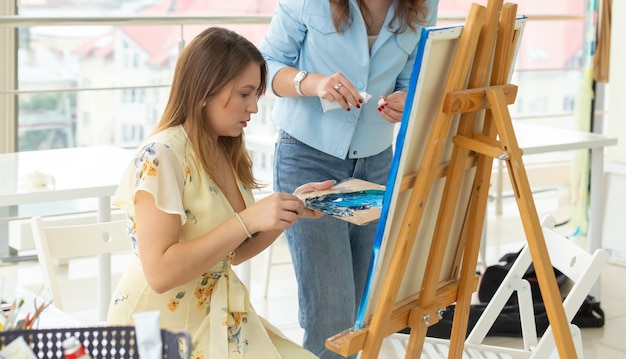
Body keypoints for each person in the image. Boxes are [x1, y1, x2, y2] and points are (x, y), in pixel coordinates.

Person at [107, 26, 333, 359]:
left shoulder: (222, 151)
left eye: (256, 94)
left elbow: (227, 255)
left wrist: (287, 210)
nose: (254, 108)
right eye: (245, 94)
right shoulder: (161, 157)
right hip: (158, 331)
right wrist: (247, 219)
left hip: (216, 318)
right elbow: (159, 273)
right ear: (205, 89)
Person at [259, 1, 439, 358]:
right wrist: (314, 83)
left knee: (363, 312)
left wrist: (406, 98)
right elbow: (266, 65)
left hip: (377, 163)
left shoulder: (424, 4)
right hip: (307, 159)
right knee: (331, 317)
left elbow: (413, 75)